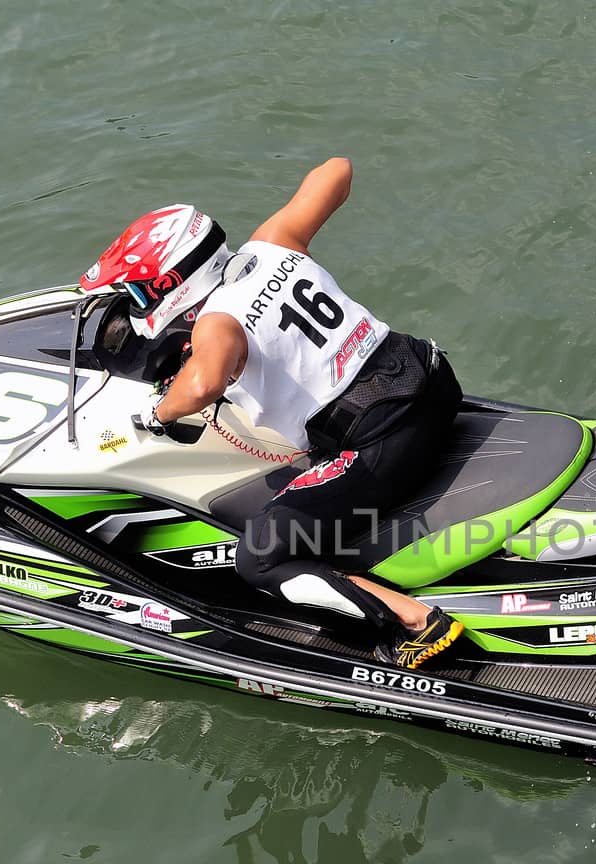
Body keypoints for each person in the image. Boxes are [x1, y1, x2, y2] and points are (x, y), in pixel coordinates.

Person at [77, 158, 465, 669]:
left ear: (171, 284)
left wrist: (158, 413)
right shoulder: (274, 241)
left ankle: (415, 623)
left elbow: (203, 383)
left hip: (386, 441)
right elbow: (337, 170)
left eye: (137, 292)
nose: (134, 302)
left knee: (259, 557)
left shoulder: (215, 325)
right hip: (433, 380)